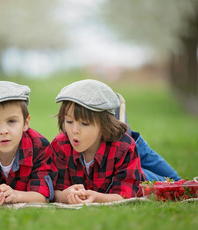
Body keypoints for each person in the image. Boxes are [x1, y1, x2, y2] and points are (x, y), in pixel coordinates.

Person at [51, 79, 180, 204]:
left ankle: (120, 124)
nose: (74, 130)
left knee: (177, 183)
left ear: (103, 125)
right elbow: (54, 190)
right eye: (69, 121)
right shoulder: (60, 144)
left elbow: (126, 194)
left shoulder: (124, 147)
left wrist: (97, 197)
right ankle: (118, 120)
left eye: (84, 123)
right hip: (113, 148)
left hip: (135, 170)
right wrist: (64, 196)